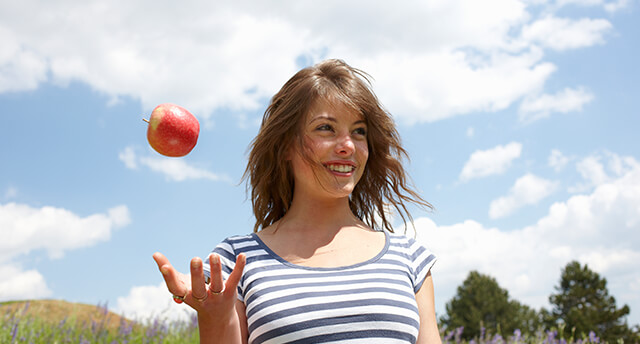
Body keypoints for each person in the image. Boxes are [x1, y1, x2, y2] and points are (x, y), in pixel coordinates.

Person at [153, 59, 441, 344]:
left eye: (359, 131)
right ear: (285, 146)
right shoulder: (235, 261)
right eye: (326, 128)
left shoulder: (410, 259)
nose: (348, 145)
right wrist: (215, 319)